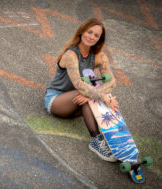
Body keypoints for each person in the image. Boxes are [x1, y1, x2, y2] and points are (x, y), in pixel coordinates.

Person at [44, 18, 119, 162]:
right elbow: (79, 84)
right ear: (82, 31)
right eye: (89, 32)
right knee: (90, 92)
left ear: (99, 39)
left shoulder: (99, 56)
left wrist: (95, 95)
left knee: (93, 93)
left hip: (76, 103)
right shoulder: (71, 55)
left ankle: (108, 135)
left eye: (96, 35)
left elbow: (112, 81)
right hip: (57, 101)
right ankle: (96, 141)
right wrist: (102, 97)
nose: (91, 37)